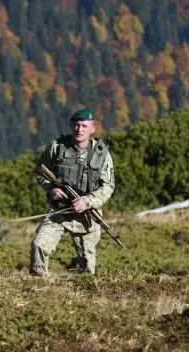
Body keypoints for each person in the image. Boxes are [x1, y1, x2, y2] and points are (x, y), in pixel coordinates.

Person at [31, 107, 115, 276]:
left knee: (87, 267)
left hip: (88, 216)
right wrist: (51, 188)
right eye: (76, 125)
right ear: (71, 126)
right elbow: (41, 173)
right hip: (59, 211)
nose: (79, 129)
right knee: (39, 245)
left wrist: (88, 201)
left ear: (92, 129)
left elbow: (108, 186)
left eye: (84, 126)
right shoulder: (56, 147)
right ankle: (38, 288)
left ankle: (85, 298)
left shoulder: (101, 154)